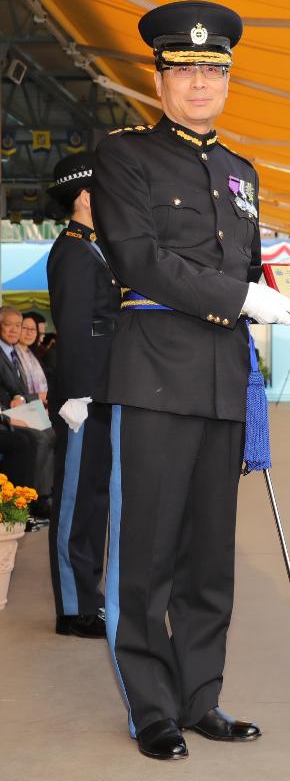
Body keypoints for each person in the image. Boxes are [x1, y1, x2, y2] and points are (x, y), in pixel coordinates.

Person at [91, 0, 290, 761]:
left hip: (221, 379)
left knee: (209, 559)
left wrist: (284, 294)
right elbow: (140, 260)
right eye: (184, 68)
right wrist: (242, 297)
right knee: (147, 554)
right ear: (159, 77)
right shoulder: (125, 157)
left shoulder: (240, 172)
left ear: (227, 79)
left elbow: (249, 269)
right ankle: (151, 708)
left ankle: (200, 697)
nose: (200, 82)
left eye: (213, 69)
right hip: (154, 376)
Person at [46, 152, 121, 639]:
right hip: (83, 396)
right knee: (76, 500)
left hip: (101, 391)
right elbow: (73, 327)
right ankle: (74, 607)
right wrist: (75, 396)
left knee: (94, 498)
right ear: (88, 197)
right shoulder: (74, 249)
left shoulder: (94, 247)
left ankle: (88, 598)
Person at [0, 306, 54, 515]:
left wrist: (22, 398)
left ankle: (45, 495)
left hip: (18, 409)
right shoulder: (10, 352)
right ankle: (32, 501)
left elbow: (18, 390)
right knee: (37, 438)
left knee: (51, 432)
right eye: (8, 325)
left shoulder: (16, 353)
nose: (15, 330)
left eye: (18, 326)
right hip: (8, 415)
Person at [15, 314, 48, 403]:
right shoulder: (11, 353)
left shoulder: (34, 356)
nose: (29, 333)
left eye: (33, 329)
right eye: (25, 328)